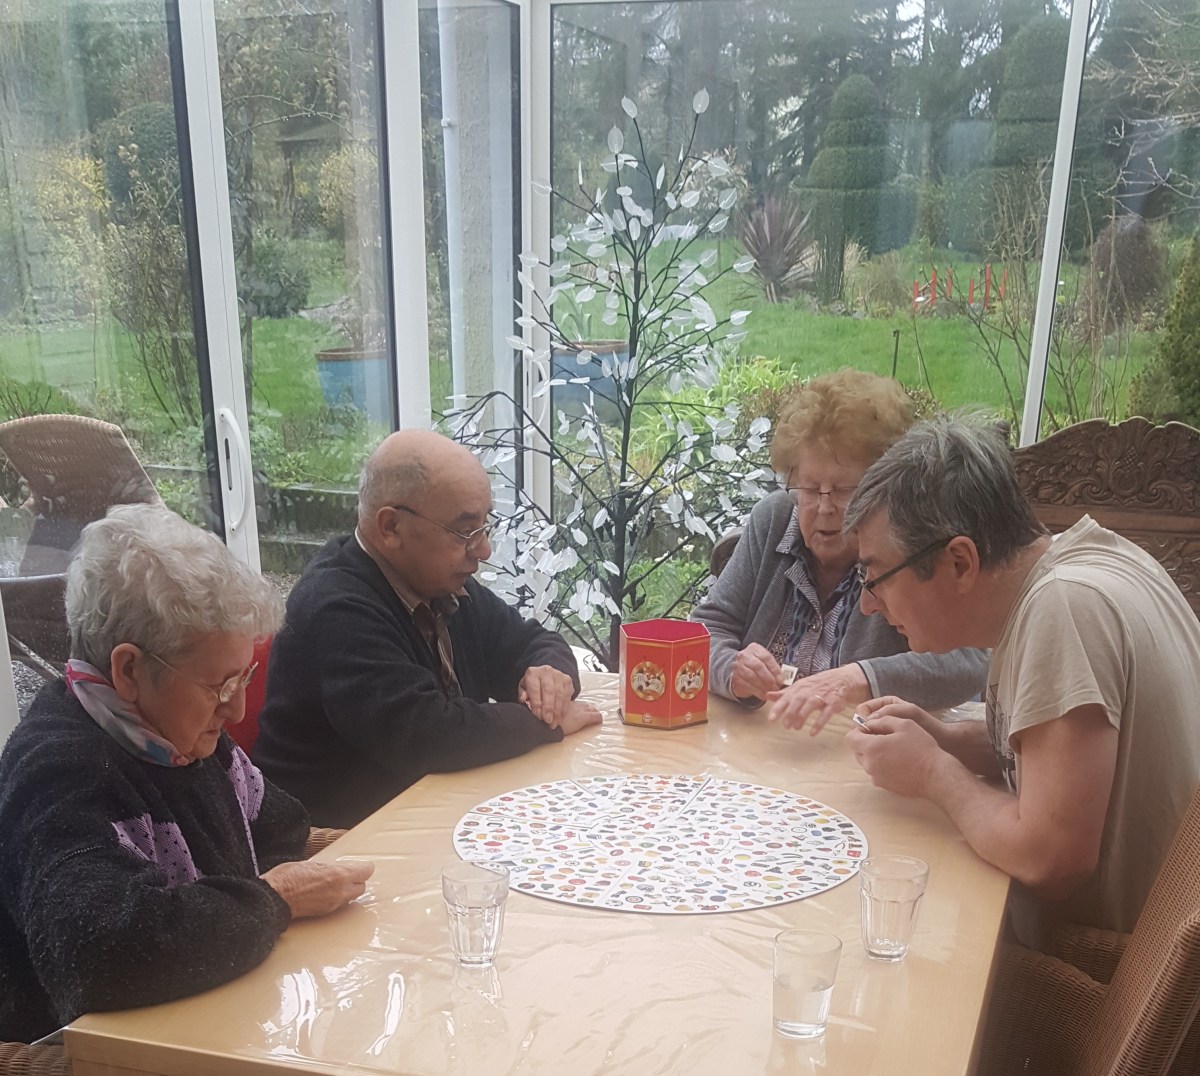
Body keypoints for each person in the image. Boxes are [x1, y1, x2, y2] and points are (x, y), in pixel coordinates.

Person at [0, 505, 372, 1044]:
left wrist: (253, 907)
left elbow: (281, 829)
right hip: (101, 1057)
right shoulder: (61, 772)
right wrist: (273, 901)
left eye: (244, 676)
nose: (238, 710)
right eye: (219, 685)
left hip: (215, 1017)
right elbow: (97, 953)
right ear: (129, 670)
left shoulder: (183, 740)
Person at [843, 415, 1200, 938]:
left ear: (960, 561)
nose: (867, 605)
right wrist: (945, 739)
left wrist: (934, 773)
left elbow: (1050, 858)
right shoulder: (1092, 560)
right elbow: (1073, 761)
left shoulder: (1065, 610)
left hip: (1096, 974)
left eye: (875, 577)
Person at [254, 429, 602, 828]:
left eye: (485, 527)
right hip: (339, 843)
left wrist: (548, 677)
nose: (484, 550)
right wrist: (545, 721)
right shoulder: (336, 608)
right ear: (391, 528)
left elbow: (533, 640)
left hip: (429, 808)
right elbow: (430, 736)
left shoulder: (435, 582)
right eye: (465, 531)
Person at [691, 369, 987, 729]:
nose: (825, 508)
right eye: (811, 489)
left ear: (884, 489)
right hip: (762, 750)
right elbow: (705, 631)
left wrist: (859, 678)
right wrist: (732, 669)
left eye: (846, 491)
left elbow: (969, 663)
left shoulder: (907, 541)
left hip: (866, 752)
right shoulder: (774, 518)